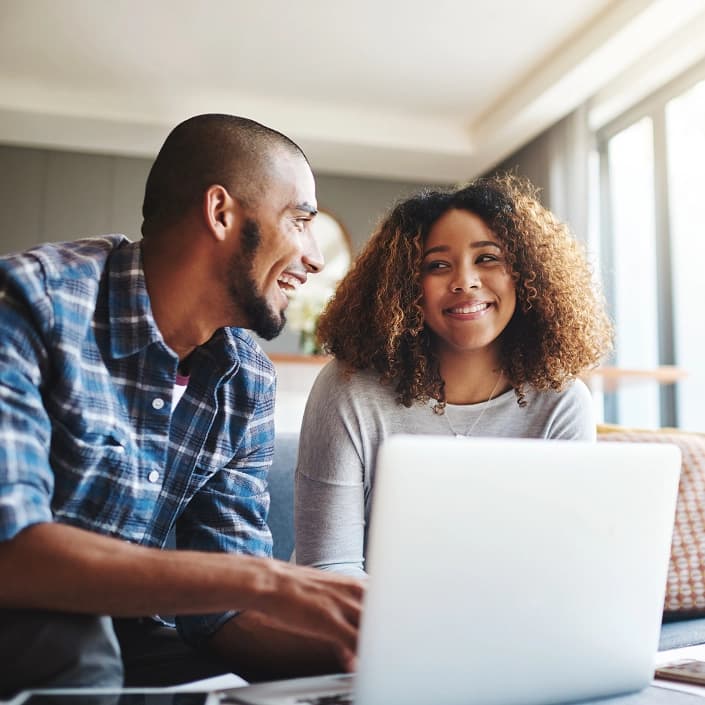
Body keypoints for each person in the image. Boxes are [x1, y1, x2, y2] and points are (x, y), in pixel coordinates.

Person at [0, 114, 364, 696]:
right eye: (300, 221)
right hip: (22, 613)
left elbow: (222, 618)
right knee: (77, 647)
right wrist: (266, 581)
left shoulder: (245, 380)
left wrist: (363, 653)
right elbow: (11, 550)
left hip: (130, 638)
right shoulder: (30, 302)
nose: (316, 258)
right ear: (221, 213)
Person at [295, 173, 613, 578]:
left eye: (488, 258)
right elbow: (328, 566)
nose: (465, 281)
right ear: (406, 286)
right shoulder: (350, 389)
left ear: (525, 274)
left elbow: (563, 565)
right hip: (364, 624)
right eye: (438, 265)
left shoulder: (562, 403)